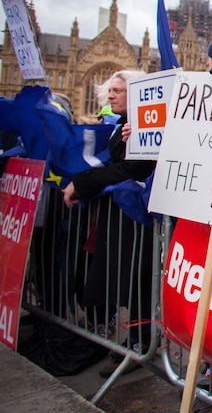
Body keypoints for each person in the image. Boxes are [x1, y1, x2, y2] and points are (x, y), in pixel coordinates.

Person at [63, 70, 156, 376]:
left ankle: (140, 343)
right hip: (116, 214)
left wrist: (83, 183)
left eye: (118, 90)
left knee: (137, 280)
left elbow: (130, 169)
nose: (111, 95)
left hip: (134, 216)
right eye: (110, 90)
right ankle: (130, 339)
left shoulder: (142, 125)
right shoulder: (121, 125)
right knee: (122, 279)